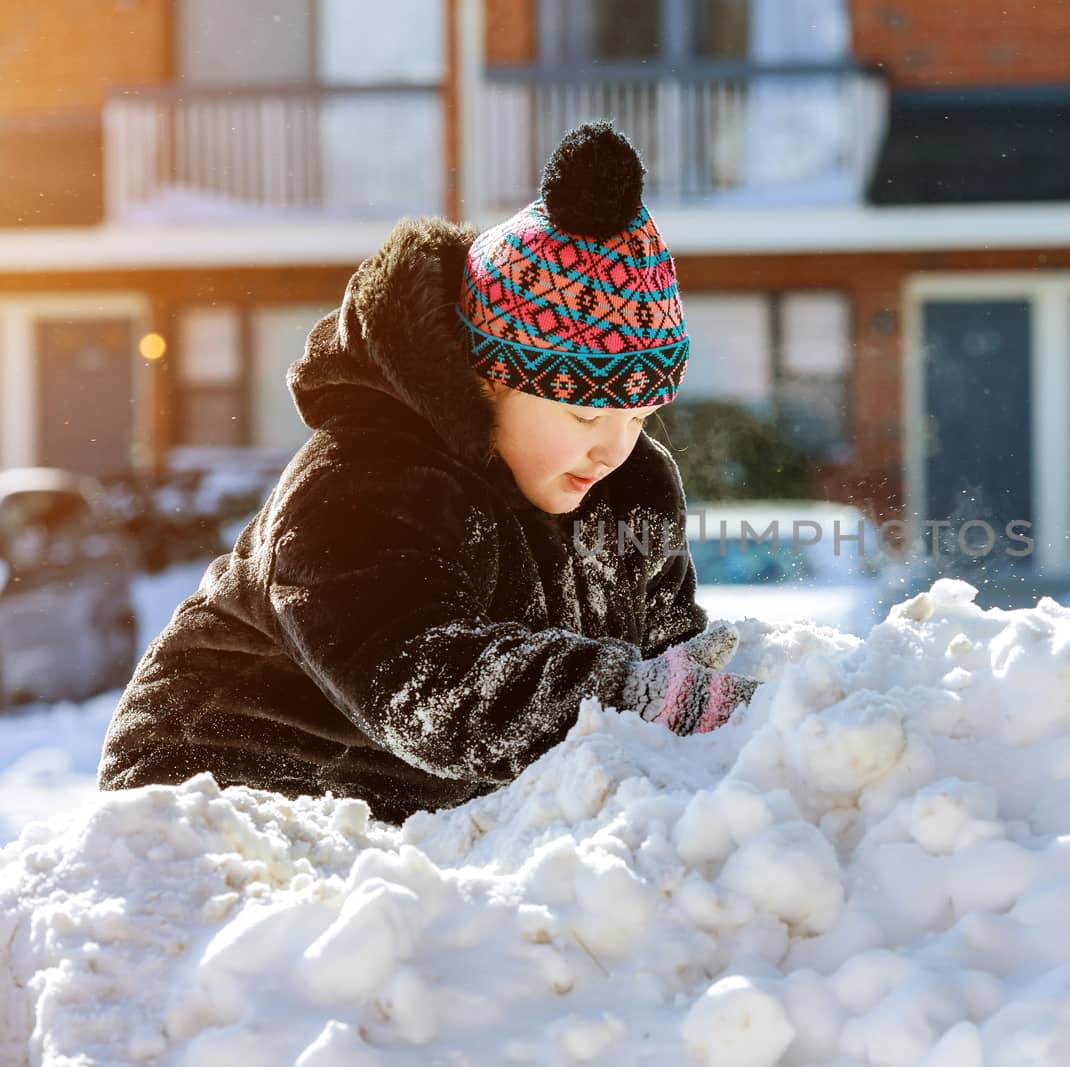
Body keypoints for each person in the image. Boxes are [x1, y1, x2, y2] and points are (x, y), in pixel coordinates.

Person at [98, 122, 759, 824]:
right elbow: (428, 687)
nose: (615, 449)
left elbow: (669, 649)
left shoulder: (631, 487)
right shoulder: (360, 486)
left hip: (414, 819)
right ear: (487, 382)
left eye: (640, 415)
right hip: (215, 803)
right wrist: (637, 698)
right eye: (586, 416)